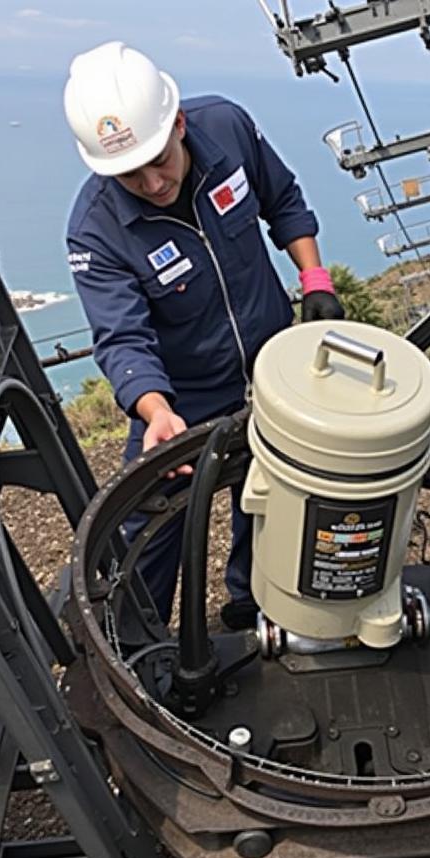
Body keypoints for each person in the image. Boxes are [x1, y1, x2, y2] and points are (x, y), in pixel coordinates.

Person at [63, 41, 343, 628]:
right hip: (179, 395)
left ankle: (252, 604)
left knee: (273, 498)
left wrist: (314, 277)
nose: (151, 181)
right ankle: (138, 646)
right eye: (128, 173)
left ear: (180, 123)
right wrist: (155, 409)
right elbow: (122, 338)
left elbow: (283, 199)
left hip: (272, 364)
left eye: (158, 159)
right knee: (149, 523)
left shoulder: (228, 127)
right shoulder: (95, 231)